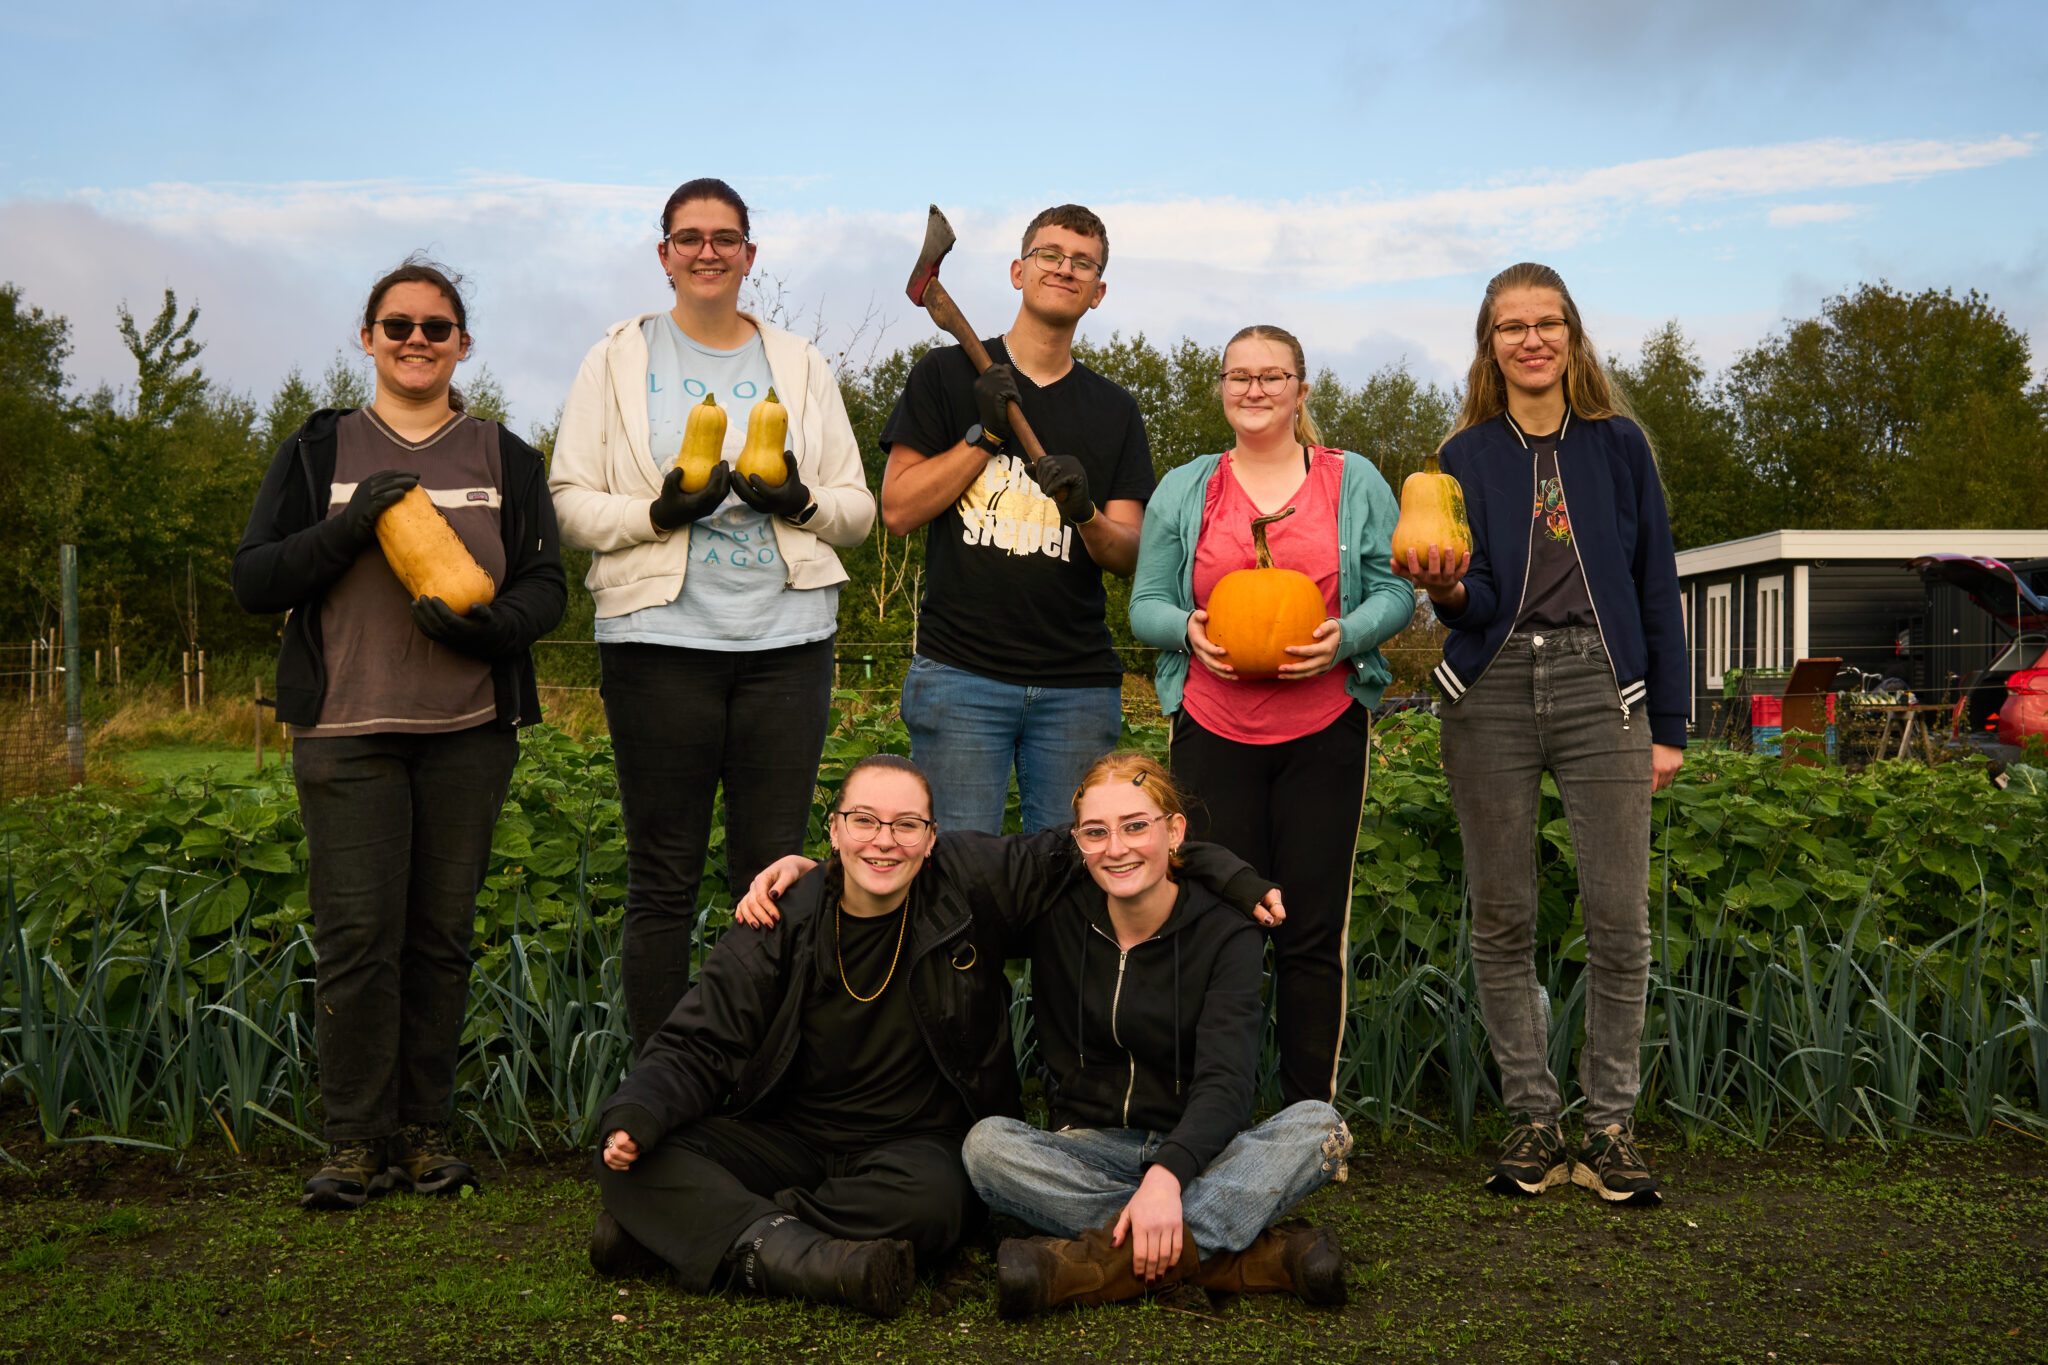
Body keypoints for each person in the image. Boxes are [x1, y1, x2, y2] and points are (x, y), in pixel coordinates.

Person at [588, 754, 1278, 1318]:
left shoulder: (972, 881)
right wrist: (639, 1113)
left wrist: (1229, 873)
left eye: (906, 823)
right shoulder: (786, 913)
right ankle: (805, 1254)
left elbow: (1110, 845)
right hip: (789, 1136)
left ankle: (702, 1231)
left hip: (914, 1148)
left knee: (942, 1203)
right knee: (636, 1158)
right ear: (833, 831)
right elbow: (700, 1035)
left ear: (931, 835)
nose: (883, 840)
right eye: (864, 820)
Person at [231, 256, 566, 1209]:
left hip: (468, 728)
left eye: (436, 327)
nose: (416, 341)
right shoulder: (318, 449)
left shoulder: (505, 454)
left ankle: (423, 1136)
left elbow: (547, 586)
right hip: (345, 728)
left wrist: (491, 628)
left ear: (464, 344)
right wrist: (350, 528)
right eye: (398, 326)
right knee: (356, 937)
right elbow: (256, 579)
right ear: (367, 338)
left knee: (439, 935)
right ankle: (353, 1141)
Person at [549, 178, 876, 1050]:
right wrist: (657, 515)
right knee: (663, 876)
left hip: (787, 643)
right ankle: (662, 1086)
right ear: (663, 255)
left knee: (771, 874)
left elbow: (857, 509)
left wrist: (798, 499)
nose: (707, 251)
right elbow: (572, 505)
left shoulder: (799, 364)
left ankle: (756, 1076)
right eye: (688, 237)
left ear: (749, 256)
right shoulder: (616, 359)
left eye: (724, 238)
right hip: (657, 643)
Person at [1395, 262, 1687, 1205]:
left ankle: (1609, 1127)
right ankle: (1533, 1118)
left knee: (1619, 919)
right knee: (1505, 915)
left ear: (1571, 336)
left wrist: (1668, 723)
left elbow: (1654, 587)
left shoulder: (1618, 445)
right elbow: (1473, 598)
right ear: (1490, 342)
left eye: (1548, 323)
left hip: (1608, 685)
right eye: (1512, 326)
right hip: (1491, 685)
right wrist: (1441, 590)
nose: (1532, 339)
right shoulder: (1461, 456)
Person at [1128, 325, 1413, 1109]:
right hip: (1213, 727)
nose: (1255, 390)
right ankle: (1213, 1113)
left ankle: (1305, 1121)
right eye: (1239, 376)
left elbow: (1396, 590)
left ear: (1302, 389)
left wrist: (1346, 637)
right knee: (1218, 926)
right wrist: (1186, 628)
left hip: (1324, 727)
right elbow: (1144, 603)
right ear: (1222, 386)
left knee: (1311, 930)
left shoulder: (1351, 481)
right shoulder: (1188, 488)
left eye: (1272, 376)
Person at [959, 753, 1353, 1317]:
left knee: (1319, 1125)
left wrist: (1168, 1177)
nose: (1115, 848)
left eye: (1136, 825)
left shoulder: (1227, 928)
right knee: (987, 1147)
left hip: (1202, 1148)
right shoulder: (1052, 909)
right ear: (1077, 841)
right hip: (1089, 1148)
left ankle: (1093, 1267)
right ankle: (1231, 1255)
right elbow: (936, 874)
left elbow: (1226, 1080)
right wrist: (823, 872)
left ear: (1175, 831)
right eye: (1096, 832)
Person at [878, 203, 1156, 835]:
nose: (1065, 269)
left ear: (1098, 292)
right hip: (959, 676)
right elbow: (898, 510)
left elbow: (1129, 552)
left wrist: (1084, 513)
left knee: (1073, 878)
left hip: (1077, 687)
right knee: (957, 871)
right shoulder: (945, 377)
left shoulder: (1114, 410)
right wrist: (983, 438)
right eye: (1050, 255)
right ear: (1017, 271)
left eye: (1083, 262)